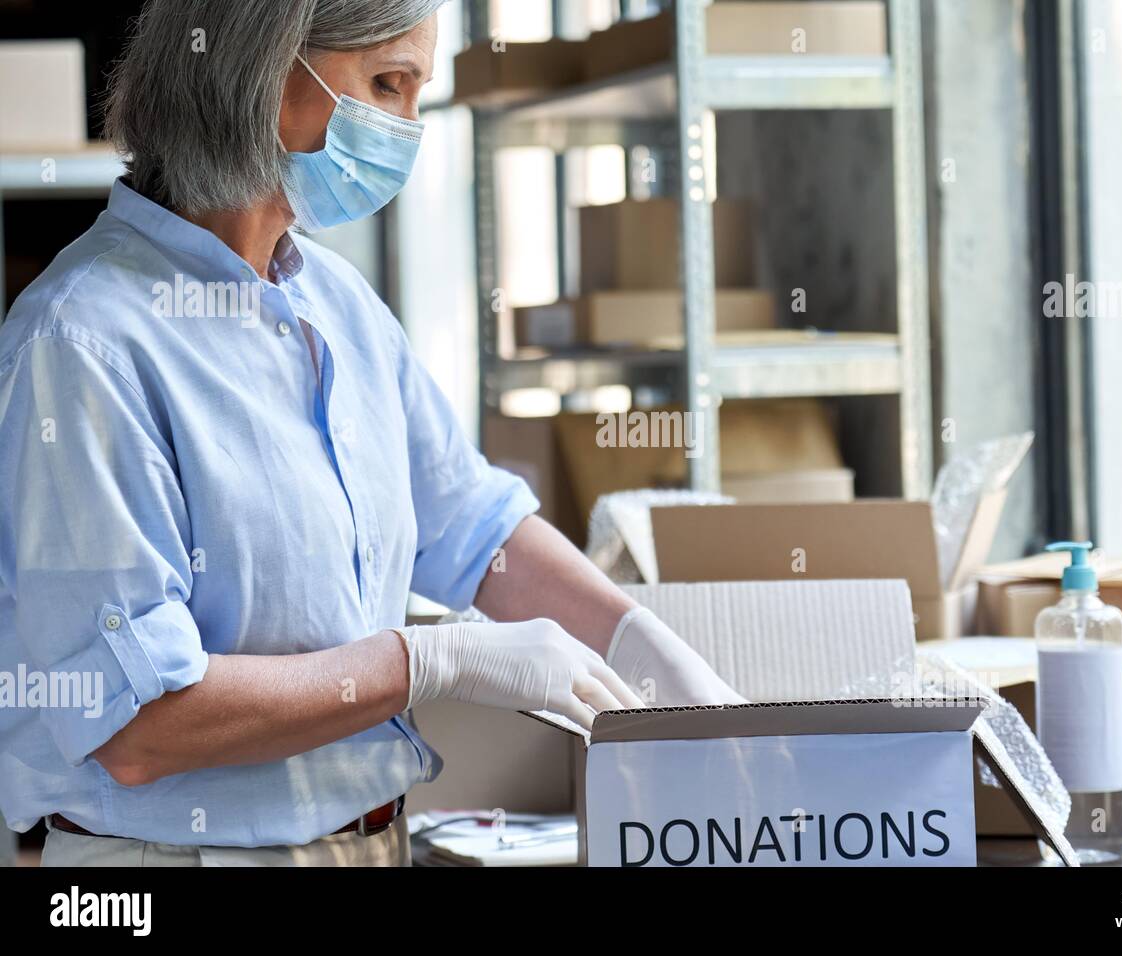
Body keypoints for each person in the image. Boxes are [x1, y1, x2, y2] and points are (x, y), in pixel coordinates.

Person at [0, 0, 743, 867]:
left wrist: (644, 648)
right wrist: (427, 663)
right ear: (263, 71)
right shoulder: (82, 344)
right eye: (388, 84)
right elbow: (137, 726)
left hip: (368, 844)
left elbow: (473, 530)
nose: (408, 130)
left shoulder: (337, 304)